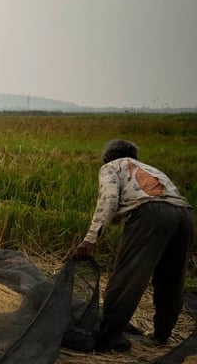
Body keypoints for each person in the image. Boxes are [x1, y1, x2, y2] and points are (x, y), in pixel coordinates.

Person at [74, 139, 194, 352]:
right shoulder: (151, 169)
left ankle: (109, 337)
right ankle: (162, 335)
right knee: (172, 279)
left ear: (107, 157)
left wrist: (90, 238)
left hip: (150, 214)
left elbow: (109, 199)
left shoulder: (112, 166)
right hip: (185, 214)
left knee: (127, 278)